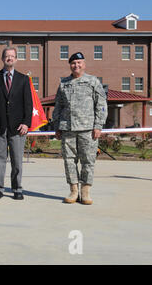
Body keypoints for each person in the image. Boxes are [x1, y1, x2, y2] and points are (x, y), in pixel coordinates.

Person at [52, 52, 107, 205]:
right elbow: (58, 106)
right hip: (67, 128)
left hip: (88, 129)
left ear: (84, 64)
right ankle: (74, 190)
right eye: (73, 63)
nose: (76, 65)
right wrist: (56, 126)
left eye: (79, 62)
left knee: (88, 160)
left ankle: (86, 191)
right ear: (70, 65)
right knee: (69, 160)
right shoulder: (64, 83)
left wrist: (98, 125)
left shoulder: (93, 81)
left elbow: (101, 105)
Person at [0, 47, 33, 200]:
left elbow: (28, 104)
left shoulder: (24, 79)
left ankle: (17, 188)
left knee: (17, 160)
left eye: (12, 56)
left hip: (18, 127)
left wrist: (26, 123)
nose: (9, 58)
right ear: (2, 59)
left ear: (16, 59)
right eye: (7, 56)